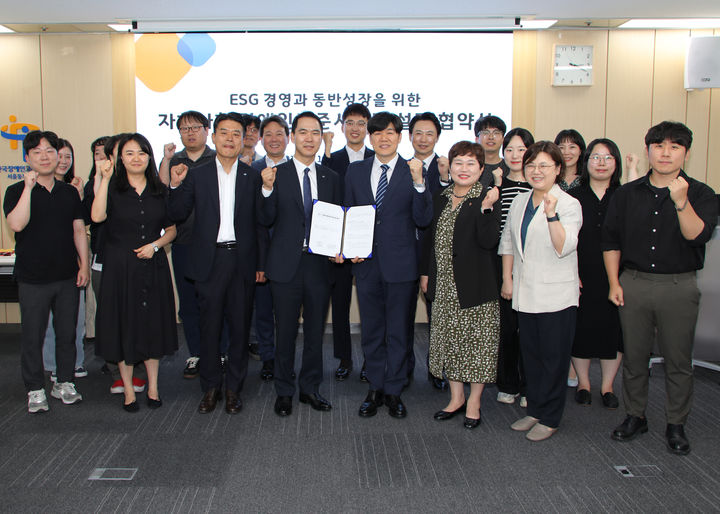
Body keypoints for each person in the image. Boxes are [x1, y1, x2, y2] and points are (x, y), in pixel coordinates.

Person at [603, 121, 718, 455]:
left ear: (686, 152)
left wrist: (681, 202)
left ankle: (676, 423)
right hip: (634, 284)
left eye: (674, 147)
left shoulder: (700, 193)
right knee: (636, 357)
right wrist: (614, 282)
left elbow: (697, 235)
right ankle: (635, 416)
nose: (665, 153)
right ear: (648, 150)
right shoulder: (627, 193)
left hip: (679, 286)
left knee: (678, 360)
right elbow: (611, 241)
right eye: (659, 146)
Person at [168, 112, 268, 415]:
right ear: (213, 137)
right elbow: (176, 212)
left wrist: (260, 264)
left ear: (244, 139)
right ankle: (210, 387)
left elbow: (261, 224)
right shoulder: (196, 175)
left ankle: (233, 389)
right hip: (209, 261)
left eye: (236, 134)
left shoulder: (252, 177)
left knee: (239, 328)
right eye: (224, 133)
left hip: (241, 261)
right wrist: (174, 185)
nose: (230, 139)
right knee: (209, 328)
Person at [344, 111, 433, 419]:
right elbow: (348, 215)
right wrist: (348, 247)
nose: (383, 138)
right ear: (370, 137)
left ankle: (394, 390)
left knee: (398, 331)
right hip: (366, 264)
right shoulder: (356, 171)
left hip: (401, 266)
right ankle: (375, 387)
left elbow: (423, 219)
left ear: (400, 137)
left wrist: (421, 184)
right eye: (377, 133)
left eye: (390, 133)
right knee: (371, 330)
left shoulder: (414, 170)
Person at [499, 140, 582, 442]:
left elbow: (564, 246)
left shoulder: (568, 204)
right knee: (530, 357)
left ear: (558, 169)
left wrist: (551, 215)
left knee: (553, 359)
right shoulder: (521, 200)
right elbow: (508, 241)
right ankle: (534, 408)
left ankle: (550, 417)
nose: (536, 170)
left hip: (556, 297)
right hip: (524, 292)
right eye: (531, 164)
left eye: (544, 165)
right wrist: (507, 279)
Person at [260, 111, 341, 417]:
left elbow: (339, 219)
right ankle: (284, 390)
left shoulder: (331, 178)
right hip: (284, 266)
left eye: (315, 133)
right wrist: (266, 190)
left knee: (315, 332)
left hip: (320, 265)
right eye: (303, 132)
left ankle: (310, 388)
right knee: (285, 333)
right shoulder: (274, 175)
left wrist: (340, 247)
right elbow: (264, 220)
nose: (310, 139)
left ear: (322, 138)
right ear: (293, 137)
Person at [91, 133, 178, 412]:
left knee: (152, 325)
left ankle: (152, 387)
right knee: (123, 325)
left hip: (152, 264)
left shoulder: (158, 189)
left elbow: (173, 229)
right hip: (120, 267)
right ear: (119, 158)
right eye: (129, 153)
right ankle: (129, 390)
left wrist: (155, 245)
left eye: (141, 152)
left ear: (149, 157)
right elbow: (96, 217)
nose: (136, 158)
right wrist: (104, 179)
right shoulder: (113, 189)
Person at [3, 130, 89, 413]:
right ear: (27, 158)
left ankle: (63, 382)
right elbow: (16, 224)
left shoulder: (68, 192)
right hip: (33, 278)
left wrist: (84, 264)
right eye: (37, 152)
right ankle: (35, 388)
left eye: (50, 151)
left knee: (67, 333)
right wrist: (29, 188)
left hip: (66, 275)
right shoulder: (16, 190)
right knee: (32, 335)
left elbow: (78, 229)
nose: (45, 156)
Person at [419, 141, 501, 429]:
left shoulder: (487, 197)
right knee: (449, 343)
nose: (463, 169)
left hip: (475, 285)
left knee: (476, 346)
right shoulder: (440, 196)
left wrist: (487, 210)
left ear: (481, 170)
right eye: (458, 163)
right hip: (444, 285)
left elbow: (489, 242)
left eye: (470, 164)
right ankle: (456, 398)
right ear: (449, 167)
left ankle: (475, 402)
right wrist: (427, 273)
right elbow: (431, 241)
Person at [158, 110, 216, 380]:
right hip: (182, 243)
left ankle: (220, 353)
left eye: (195, 127)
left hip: (214, 245)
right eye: (185, 128)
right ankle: (196, 354)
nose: (190, 132)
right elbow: (162, 190)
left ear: (207, 130)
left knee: (217, 301)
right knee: (189, 304)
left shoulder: (218, 158)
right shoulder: (174, 159)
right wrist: (166, 159)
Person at [569, 139, 625, 409]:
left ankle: (607, 386)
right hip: (581, 271)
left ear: (616, 163)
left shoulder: (625, 195)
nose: (601, 163)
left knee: (613, 330)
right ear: (586, 162)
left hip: (618, 275)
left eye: (608, 157)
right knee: (581, 328)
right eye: (595, 157)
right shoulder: (574, 196)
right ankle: (583, 383)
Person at [322, 103, 374, 382]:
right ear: (342, 126)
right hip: (339, 246)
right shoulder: (332, 158)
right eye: (350, 122)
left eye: (361, 123)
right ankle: (344, 358)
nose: (355, 128)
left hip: (369, 246)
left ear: (368, 128)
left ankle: (370, 360)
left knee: (369, 308)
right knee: (340, 304)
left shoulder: (380, 157)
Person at [408, 112, 450, 391]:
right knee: (401, 315)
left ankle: (438, 369)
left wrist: (445, 179)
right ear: (410, 136)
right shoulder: (400, 165)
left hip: (435, 253)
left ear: (437, 137)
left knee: (438, 315)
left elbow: (448, 208)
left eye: (429, 134)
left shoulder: (447, 167)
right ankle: (405, 367)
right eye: (418, 133)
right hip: (405, 251)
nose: (423, 139)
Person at [250, 115, 293, 381]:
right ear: (260, 138)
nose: (274, 139)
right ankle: (268, 358)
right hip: (262, 254)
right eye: (268, 134)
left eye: (280, 134)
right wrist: (258, 261)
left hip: (292, 255)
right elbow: (249, 219)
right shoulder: (250, 171)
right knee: (263, 310)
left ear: (288, 138)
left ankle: (285, 360)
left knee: (288, 314)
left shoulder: (298, 169)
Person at [43, 138, 89, 380]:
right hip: (44, 266)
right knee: (49, 320)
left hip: (72, 263)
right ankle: (51, 364)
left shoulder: (73, 190)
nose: (63, 161)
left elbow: (80, 230)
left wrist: (83, 263)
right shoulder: (36, 187)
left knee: (75, 318)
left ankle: (76, 362)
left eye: (68, 157)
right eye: (59, 156)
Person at [495, 128, 534, 407]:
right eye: (509, 149)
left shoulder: (539, 185)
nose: (515, 155)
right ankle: (508, 383)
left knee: (531, 330)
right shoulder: (495, 184)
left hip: (533, 266)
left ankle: (530, 385)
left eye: (521, 150)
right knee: (507, 329)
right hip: (501, 264)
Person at [474, 115, 508, 185]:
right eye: (485, 133)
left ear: (503, 139)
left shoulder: (509, 167)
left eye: (496, 133)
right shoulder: (470, 167)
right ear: (477, 139)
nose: (491, 137)